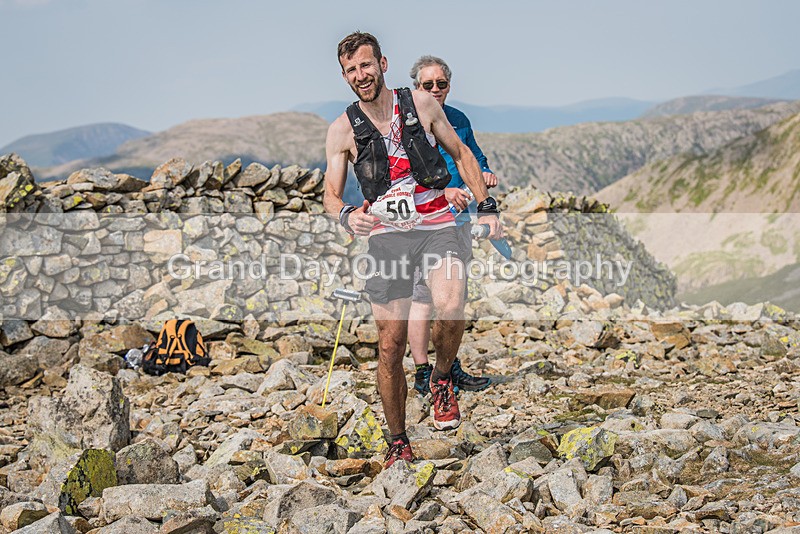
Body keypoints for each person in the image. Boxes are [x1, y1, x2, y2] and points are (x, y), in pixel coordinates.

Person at [324, 32, 504, 468]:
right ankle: (398, 440)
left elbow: (461, 155)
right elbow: (330, 195)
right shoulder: (342, 129)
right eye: (351, 70)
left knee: (450, 303)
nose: (360, 76)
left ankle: (441, 378)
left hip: (437, 224)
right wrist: (348, 214)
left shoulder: (421, 105)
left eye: (366, 66)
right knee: (390, 345)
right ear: (344, 76)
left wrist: (486, 206)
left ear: (383, 64)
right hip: (388, 236)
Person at [407, 55, 497, 396]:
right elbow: (404, 175)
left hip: (459, 222)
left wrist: (483, 179)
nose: (434, 90)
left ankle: (448, 366)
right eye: (427, 85)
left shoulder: (458, 119)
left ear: (449, 85)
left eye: (440, 84)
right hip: (422, 222)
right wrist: (442, 192)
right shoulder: (406, 123)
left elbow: (472, 156)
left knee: (453, 301)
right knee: (422, 298)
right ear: (416, 87)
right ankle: (421, 371)